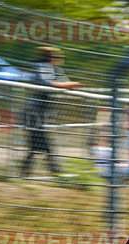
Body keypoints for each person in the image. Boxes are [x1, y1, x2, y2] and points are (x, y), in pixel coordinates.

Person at [19, 47, 80, 177]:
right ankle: (56, 172)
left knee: (35, 146)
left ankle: (24, 173)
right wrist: (65, 85)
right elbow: (45, 83)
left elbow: (64, 82)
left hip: (42, 113)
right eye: (58, 57)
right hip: (33, 112)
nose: (60, 60)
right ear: (51, 58)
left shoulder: (55, 69)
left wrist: (70, 85)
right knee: (44, 144)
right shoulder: (41, 66)